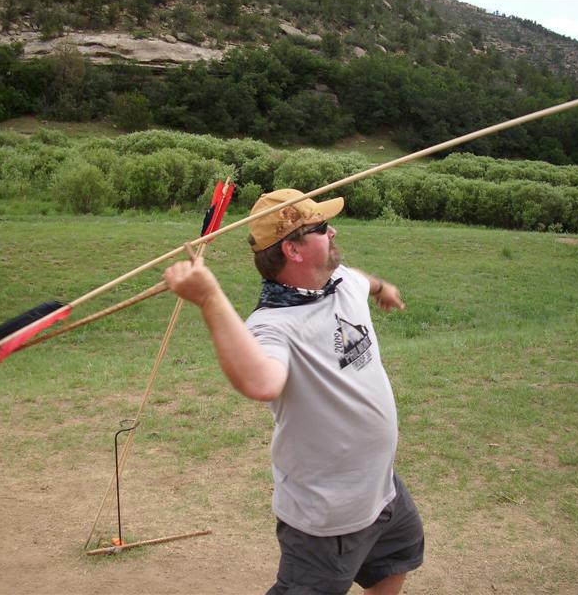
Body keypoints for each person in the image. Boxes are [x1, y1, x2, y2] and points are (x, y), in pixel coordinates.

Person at [163, 188, 424, 594]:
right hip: (326, 518)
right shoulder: (272, 326)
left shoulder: (340, 281)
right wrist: (209, 298)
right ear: (293, 250)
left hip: (382, 492)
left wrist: (382, 288)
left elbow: (362, 280)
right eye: (321, 228)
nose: (333, 231)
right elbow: (262, 382)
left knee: (395, 562)